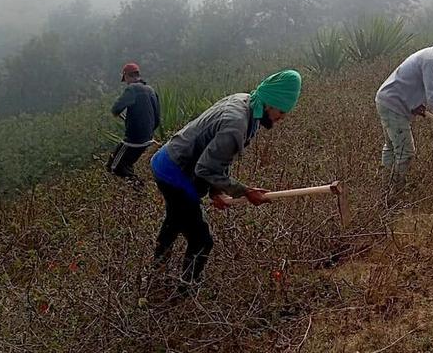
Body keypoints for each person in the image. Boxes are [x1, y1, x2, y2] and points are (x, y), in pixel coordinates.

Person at [149, 69, 301, 296]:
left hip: (167, 160)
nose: (282, 118)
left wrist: (215, 191)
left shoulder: (247, 102)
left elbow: (218, 156)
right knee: (201, 241)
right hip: (174, 173)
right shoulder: (236, 124)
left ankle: (154, 278)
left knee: (174, 221)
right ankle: (184, 294)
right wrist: (245, 191)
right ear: (269, 104)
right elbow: (206, 168)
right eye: (281, 111)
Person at [375, 27, 433, 190]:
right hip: (393, 105)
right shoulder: (431, 61)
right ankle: (394, 191)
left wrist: (414, 104)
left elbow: (409, 83)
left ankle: (385, 185)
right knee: (406, 152)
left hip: (385, 100)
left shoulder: (429, 55)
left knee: (391, 146)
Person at [106, 63, 160, 177]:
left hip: (133, 140)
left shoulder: (132, 89)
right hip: (147, 138)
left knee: (113, 166)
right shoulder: (151, 90)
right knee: (126, 164)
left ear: (126, 76)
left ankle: (139, 190)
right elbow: (157, 118)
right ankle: (134, 191)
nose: (126, 82)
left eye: (125, 79)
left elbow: (115, 109)